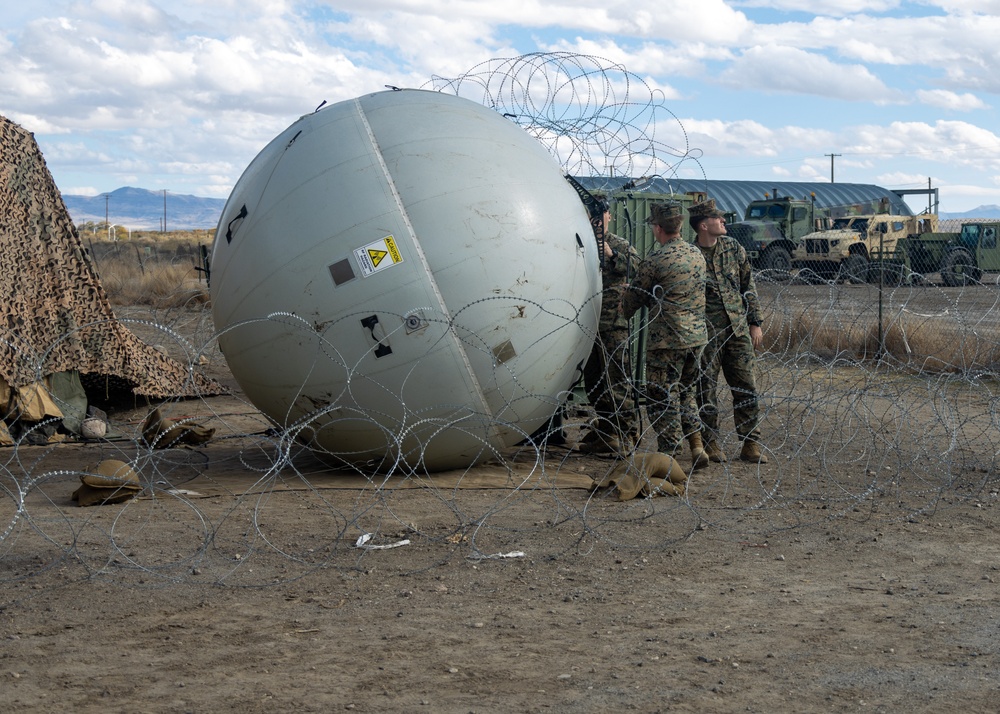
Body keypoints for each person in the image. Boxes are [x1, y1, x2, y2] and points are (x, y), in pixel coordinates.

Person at [622, 202, 710, 469]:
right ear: (680, 225)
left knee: (662, 397)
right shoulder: (697, 255)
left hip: (667, 340)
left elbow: (633, 301)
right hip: (696, 338)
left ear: (658, 228)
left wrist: (625, 296)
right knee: (687, 392)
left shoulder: (656, 260)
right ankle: (697, 445)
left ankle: (669, 455)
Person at [689, 199, 768, 464]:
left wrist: (755, 322)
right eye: (717, 218)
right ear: (703, 225)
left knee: (746, 387)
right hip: (706, 333)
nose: (723, 221)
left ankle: (750, 444)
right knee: (705, 389)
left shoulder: (733, 248)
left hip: (737, 330)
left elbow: (749, 287)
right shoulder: (689, 255)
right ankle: (710, 443)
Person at [578, 202, 641, 455]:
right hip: (585, 323)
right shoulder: (580, 242)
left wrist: (612, 255)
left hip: (612, 324)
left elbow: (637, 269)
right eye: (591, 215)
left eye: (600, 215)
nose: (596, 220)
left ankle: (627, 435)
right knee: (594, 381)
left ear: (609, 217)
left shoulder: (619, 244)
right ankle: (607, 431)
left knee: (617, 381)